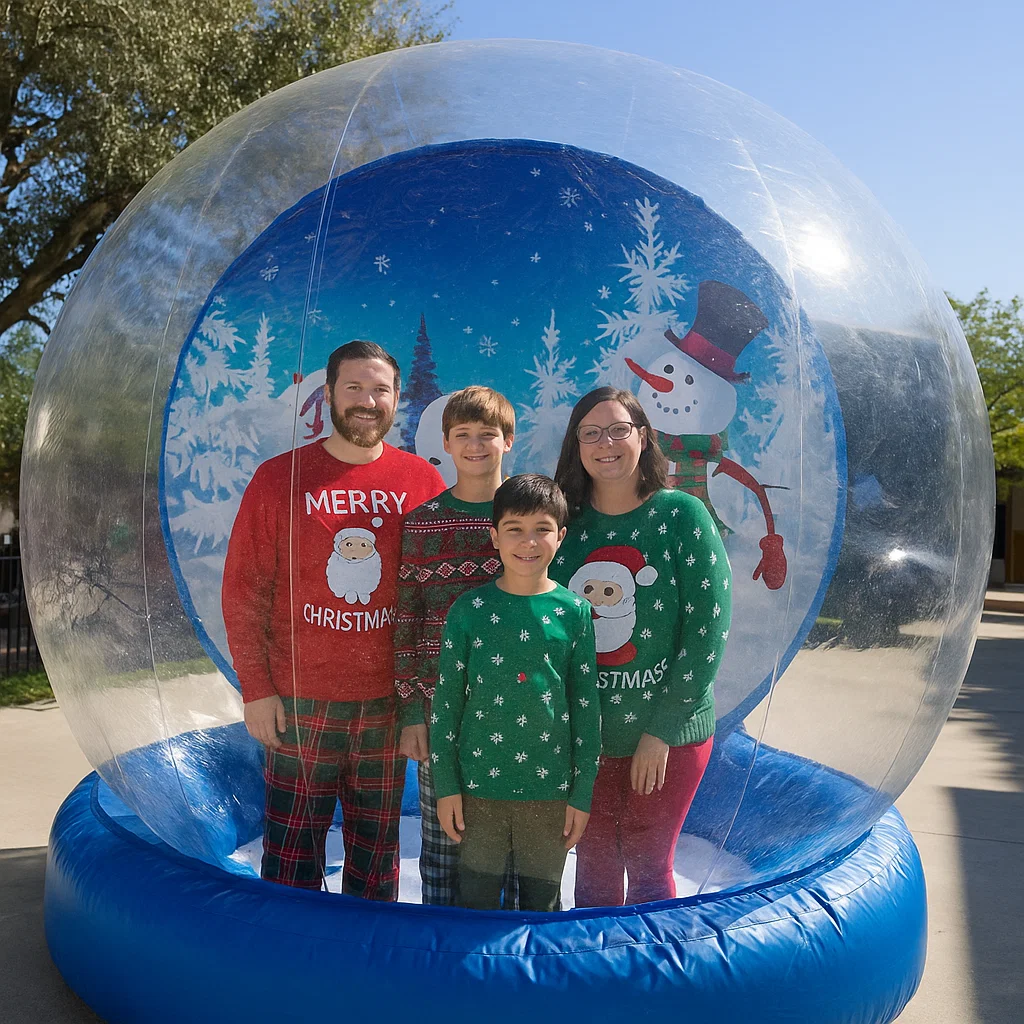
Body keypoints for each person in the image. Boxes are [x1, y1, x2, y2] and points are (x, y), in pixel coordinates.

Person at [222, 340, 446, 897]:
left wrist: (423, 699)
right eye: (354, 387)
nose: (367, 401)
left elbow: (437, 599)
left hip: (387, 704)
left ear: (396, 399)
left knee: (377, 858)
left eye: (381, 390)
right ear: (329, 395)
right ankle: (292, 973)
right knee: (292, 854)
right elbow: (244, 591)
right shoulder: (279, 479)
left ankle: (367, 974)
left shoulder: (421, 482)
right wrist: (257, 689)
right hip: (298, 702)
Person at [551, 386, 731, 907]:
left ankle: (656, 986)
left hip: (667, 738)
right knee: (595, 869)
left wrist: (661, 732)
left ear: (643, 437)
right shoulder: (564, 527)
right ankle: (593, 983)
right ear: (576, 445)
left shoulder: (681, 516)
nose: (605, 443)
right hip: (590, 741)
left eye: (618, 430)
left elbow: (708, 631)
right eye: (591, 433)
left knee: (650, 866)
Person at [430, 475, 601, 912]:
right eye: (515, 529)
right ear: (494, 537)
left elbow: (585, 710)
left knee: (542, 907)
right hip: (478, 791)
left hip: (550, 795)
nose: (529, 541)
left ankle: (536, 982)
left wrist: (580, 794)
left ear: (560, 537)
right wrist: (447, 787)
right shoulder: (469, 611)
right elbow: (447, 706)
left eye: (542, 528)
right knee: (477, 903)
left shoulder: (574, 613)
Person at [393, 385, 517, 905]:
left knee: (513, 852)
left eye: (487, 435)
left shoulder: (531, 518)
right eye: (462, 435)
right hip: (442, 713)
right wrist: (411, 713)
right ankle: (440, 965)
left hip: (520, 712)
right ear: (445, 442)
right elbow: (407, 621)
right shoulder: (423, 523)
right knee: (443, 847)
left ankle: (509, 965)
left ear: (507, 440)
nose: (474, 445)